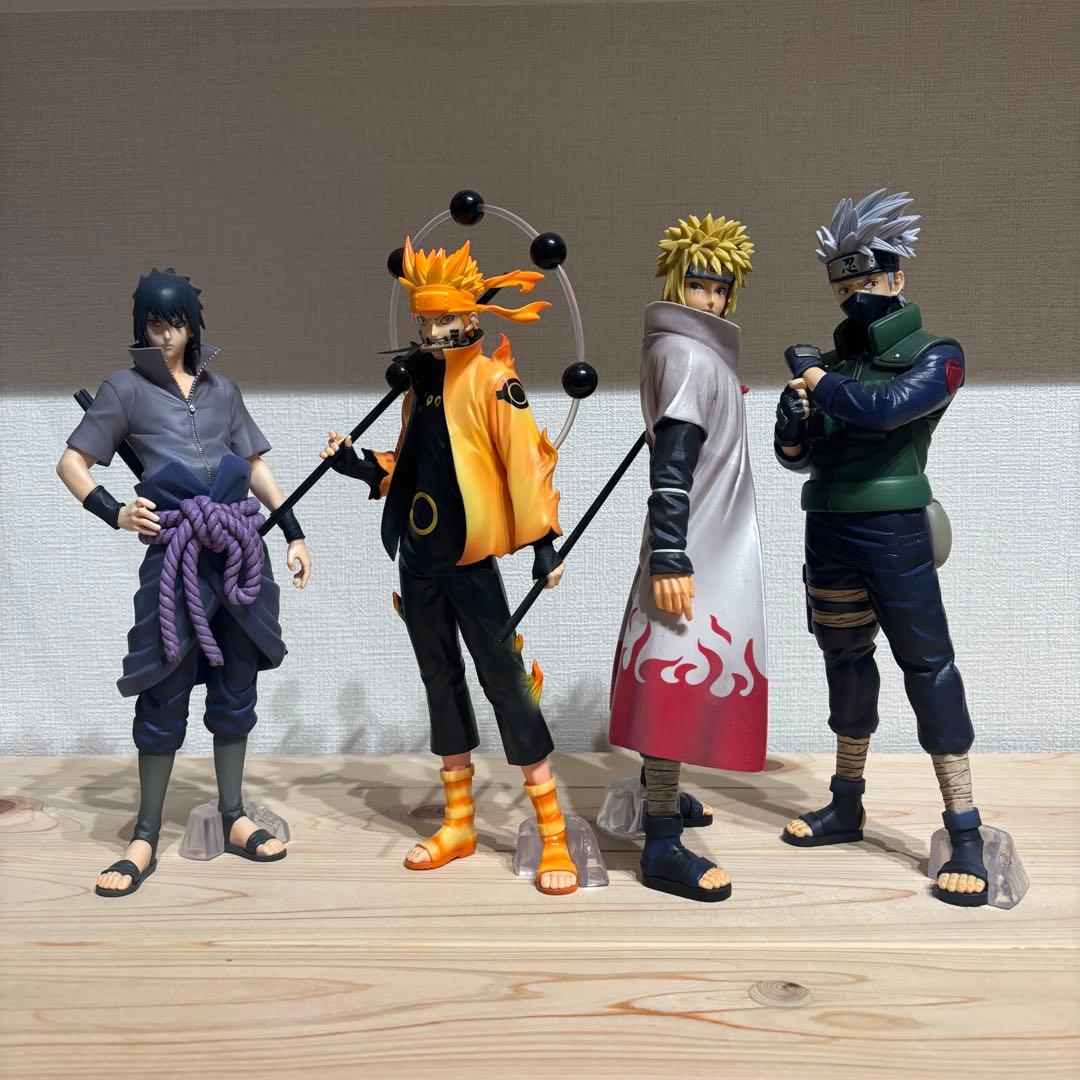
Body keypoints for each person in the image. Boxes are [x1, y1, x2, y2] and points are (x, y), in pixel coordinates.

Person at [322, 237, 578, 895]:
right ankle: (459, 821)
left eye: (444, 319)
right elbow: (408, 466)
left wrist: (543, 544)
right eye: (424, 320)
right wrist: (357, 464)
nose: (433, 331)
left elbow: (525, 462)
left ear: (470, 316)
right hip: (418, 558)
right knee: (440, 680)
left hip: (468, 558)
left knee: (505, 682)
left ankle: (553, 832)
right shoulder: (420, 387)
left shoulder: (492, 381)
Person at [57, 268, 311, 898]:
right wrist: (115, 511)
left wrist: (293, 531)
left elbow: (254, 466)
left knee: (237, 683)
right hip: (177, 552)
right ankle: (145, 833)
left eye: (176, 323)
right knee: (163, 683)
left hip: (238, 549)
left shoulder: (224, 390)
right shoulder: (124, 390)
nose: (166, 335)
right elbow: (72, 462)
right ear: (140, 327)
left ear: (194, 326)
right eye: (155, 324)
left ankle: (233, 814)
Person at [775, 189, 989, 906]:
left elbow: (887, 412)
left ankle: (964, 828)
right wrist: (794, 424)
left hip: (895, 529)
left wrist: (815, 380)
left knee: (927, 665)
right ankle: (846, 800)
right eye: (842, 286)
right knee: (843, 658)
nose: (852, 295)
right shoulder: (841, 361)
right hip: (828, 527)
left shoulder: (937, 355)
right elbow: (804, 457)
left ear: (897, 277)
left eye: (864, 280)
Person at [609, 213, 767, 902]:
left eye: (722, 289)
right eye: (699, 285)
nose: (711, 299)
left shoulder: (695, 354)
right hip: (694, 540)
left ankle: (661, 791)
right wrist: (671, 556)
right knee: (674, 672)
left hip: (711, 534)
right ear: (676, 282)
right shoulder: (689, 355)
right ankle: (662, 841)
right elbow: (672, 464)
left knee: (683, 665)